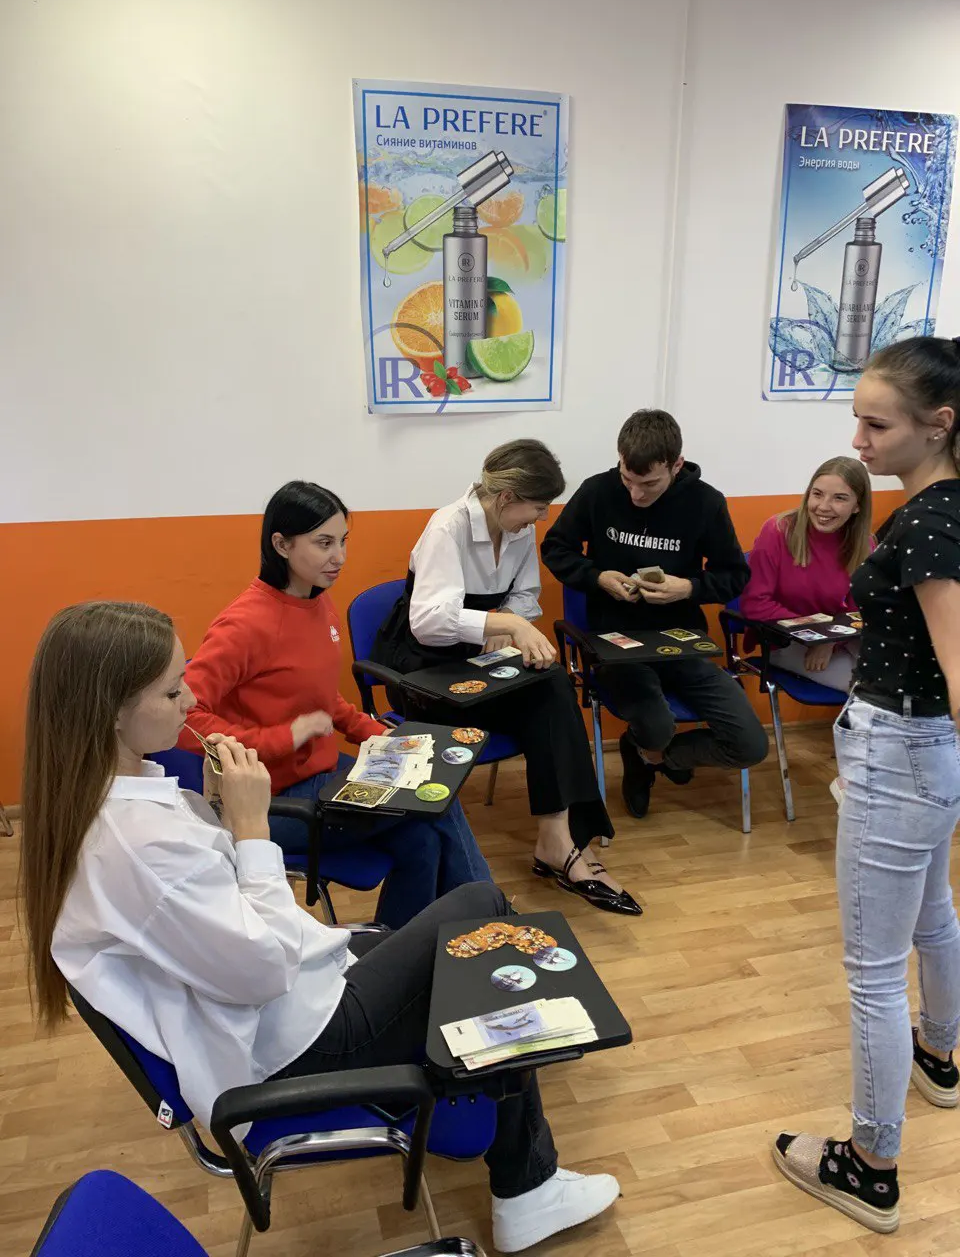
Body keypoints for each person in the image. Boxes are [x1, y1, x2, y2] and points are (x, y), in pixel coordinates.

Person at [20, 601, 621, 1254]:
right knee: (481, 910)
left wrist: (219, 811)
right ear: (111, 711)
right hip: (298, 1038)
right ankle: (527, 1185)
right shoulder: (141, 846)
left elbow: (215, 913)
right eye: (172, 691)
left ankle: (500, 1110)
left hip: (291, 1000)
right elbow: (261, 968)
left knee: (470, 944)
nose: (191, 699)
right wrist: (251, 831)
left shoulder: (117, 798)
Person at [772, 336, 960, 1234]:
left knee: (874, 973)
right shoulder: (942, 509)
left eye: (877, 425)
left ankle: (871, 1166)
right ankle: (941, 1056)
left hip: (903, 752)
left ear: (940, 424)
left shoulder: (926, 526)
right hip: (923, 752)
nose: (859, 439)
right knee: (934, 914)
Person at [183, 482, 491, 931]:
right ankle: (489, 923)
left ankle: (402, 952)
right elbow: (185, 719)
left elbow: (322, 700)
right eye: (324, 543)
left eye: (343, 541)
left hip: (323, 779)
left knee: (422, 837)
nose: (339, 557)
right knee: (436, 798)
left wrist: (376, 733)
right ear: (282, 545)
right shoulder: (244, 625)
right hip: (270, 804)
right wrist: (281, 738)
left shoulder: (317, 601)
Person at [372, 439, 641, 917]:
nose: (541, 517)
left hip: (477, 659)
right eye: (537, 507)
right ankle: (563, 847)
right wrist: (504, 625)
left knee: (551, 683)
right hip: (423, 669)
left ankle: (558, 838)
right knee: (542, 695)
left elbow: (525, 595)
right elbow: (429, 622)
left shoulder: (516, 532)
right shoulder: (447, 527)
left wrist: (505, 625)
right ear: (506, 498)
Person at [541, 409, 769, 819]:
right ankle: (650, 747)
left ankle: (651, 757)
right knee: (658, 724)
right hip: (616, 645)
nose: (635, 494)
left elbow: (734, 576)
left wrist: (689, 588)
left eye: (649, 484)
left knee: (751, 745)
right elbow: (556, 548)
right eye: (627, 479)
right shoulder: (597, 491)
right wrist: (597, 577)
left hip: (682, 643)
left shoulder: (706, 502)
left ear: (677, 465)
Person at [740, 456, 873, 693]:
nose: (823, 506)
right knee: (868, 688)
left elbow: (858, 613)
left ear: (858, 506)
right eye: (817, 494)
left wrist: (830, 640)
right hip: (786, 639)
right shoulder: (778, 530)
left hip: (838, 638)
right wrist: (819, 636)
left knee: (902, 678)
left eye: (840, 498)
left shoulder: (865, 544)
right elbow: (755, 604)